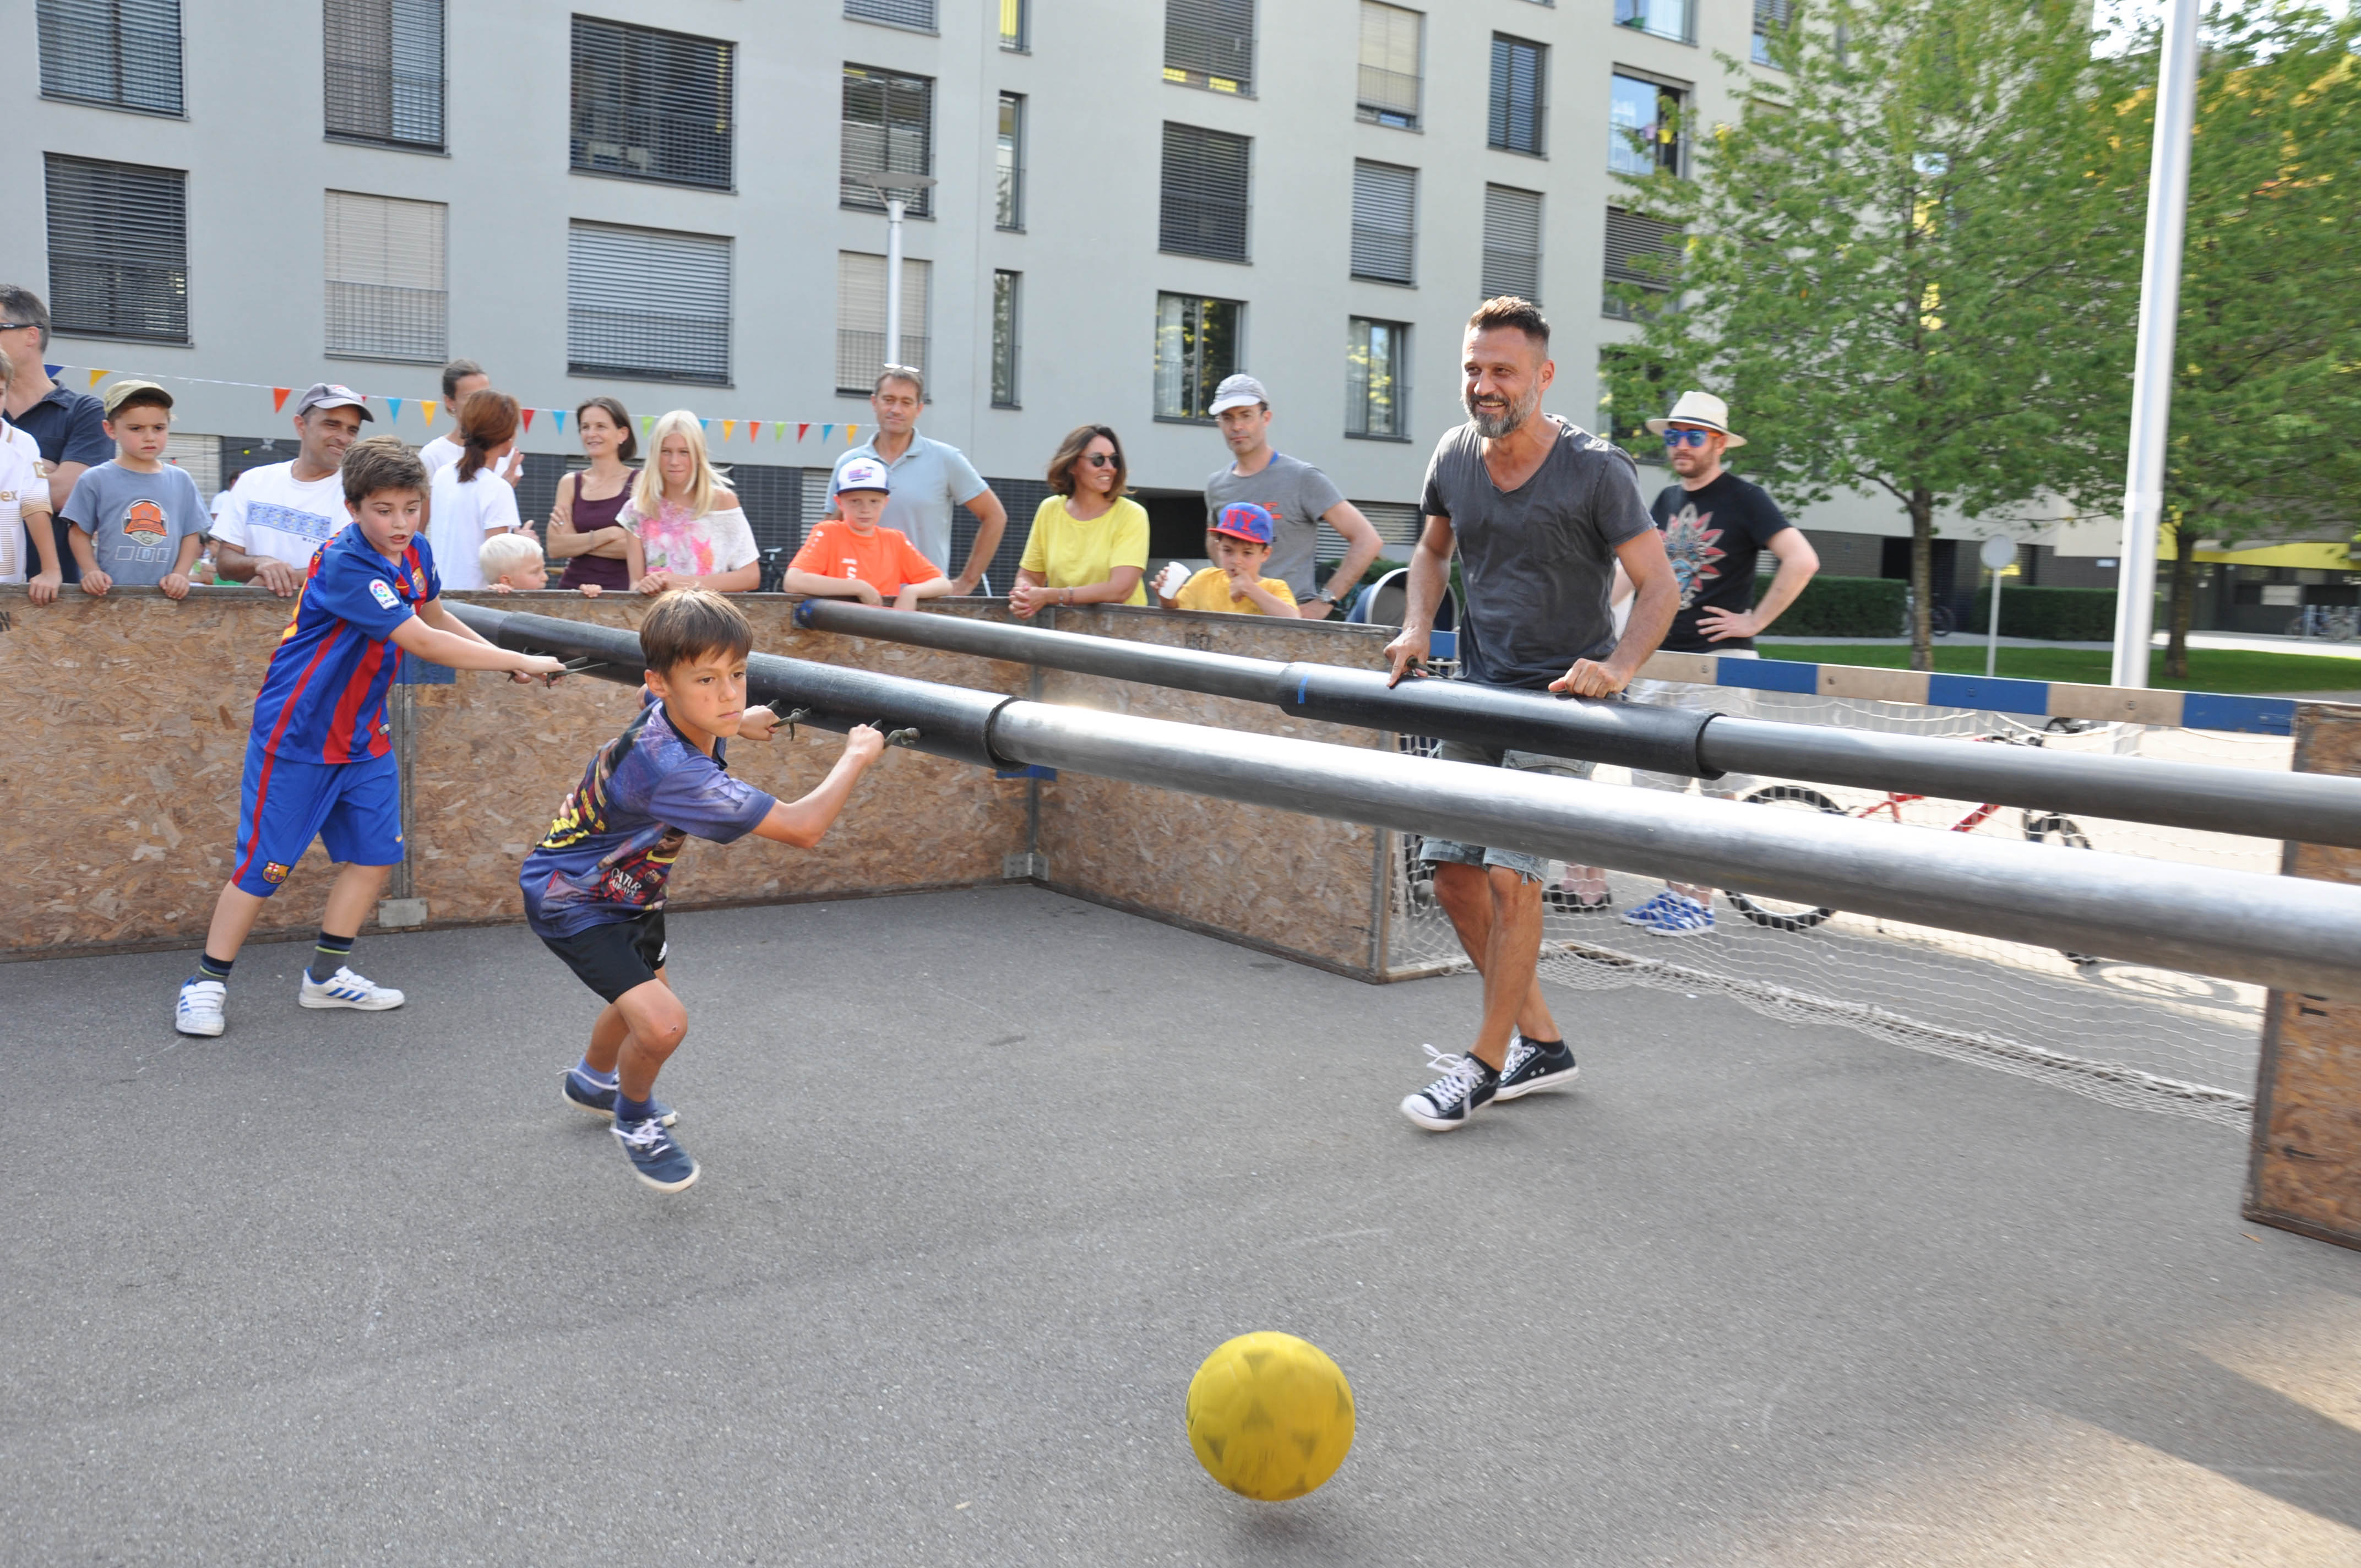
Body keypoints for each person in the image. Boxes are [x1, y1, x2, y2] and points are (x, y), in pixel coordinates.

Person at [1382, 296, 1678, 1133]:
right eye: (1473, 369)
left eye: (1503, 371)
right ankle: (1542, 1042)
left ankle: (1483, 1065)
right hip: (1480, 690)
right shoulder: (1453, 455)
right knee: (1452, 875)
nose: (1485, 385)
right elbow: (1432, 548)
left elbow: (1660, 586)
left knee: (1513, 876)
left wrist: (1617, 668)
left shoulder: (1596, 470)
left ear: (1543, 377)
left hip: (1560, 705)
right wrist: (1416, 624)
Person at [172, 437, 568, 1039]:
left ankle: (325, 977)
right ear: (354, 508)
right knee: (263, 869)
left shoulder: (416, 551)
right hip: (300, 733)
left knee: (376, 856)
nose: (400, 523)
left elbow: (435, 615)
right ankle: (206, 982)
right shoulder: (345, 563)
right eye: (384, 510)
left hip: (364, 734)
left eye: (411, 508)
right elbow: (422, 642)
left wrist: (501, 660)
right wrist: (519, 658)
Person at [522, 589, 886, 1191]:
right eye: (707, 680)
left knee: (638, 1000)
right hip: (575, 899)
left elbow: (656, 703)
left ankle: (592, 1082)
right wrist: (856, 758)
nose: (727, 694)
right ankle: (634, 1117)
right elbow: (803, 828)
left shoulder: (673, 707)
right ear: (663, 681)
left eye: (737, 675)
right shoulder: (673, 770)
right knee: (663, 1024)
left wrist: (738, 722)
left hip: (633, 890)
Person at [1606, 391, 1823, 937]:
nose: (1680, 445)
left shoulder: (1746, 499)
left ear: (1719, 443)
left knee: (1713, 787)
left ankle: (1699, 903)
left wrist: (1754, 620)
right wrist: (1592, 620)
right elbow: (1632, 571)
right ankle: (1675, 893)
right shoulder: (1663, 499)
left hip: (1720, 667)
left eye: (1693, 436)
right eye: (1673, 435)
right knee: (1652, 791)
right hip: (1660, 660)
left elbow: (1802, 560)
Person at [1203, 374, 1384, 618]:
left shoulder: (1302, 478)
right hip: (1234, 622)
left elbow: (1368, 540)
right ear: (1219, 423)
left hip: (1289, 625)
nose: (1236, 426)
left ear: (1266, 418)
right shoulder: (1217, 485)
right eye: (1227, 418)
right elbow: (1213, 540)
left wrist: (1324, 602)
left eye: (1246, 415)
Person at [829, 366, 1007, 595]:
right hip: (857, 601)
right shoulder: (849, 462)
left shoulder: (946, 459)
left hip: (923, 600)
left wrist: (967, 582)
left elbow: (995, 516)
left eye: (906, 402)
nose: (896, 409)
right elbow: (830, 530)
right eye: (889, 400)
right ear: (874, 403)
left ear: (919, 409)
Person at [210, 383, 372, 595]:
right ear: (301, 425)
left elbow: (353, 570)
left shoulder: (359, 495)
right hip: (253, 614)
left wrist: (277, 577)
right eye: (332, 425)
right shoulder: (253, 481)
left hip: (324, 617)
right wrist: (259, 563)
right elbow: (225, 563)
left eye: (352, 430)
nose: (344, 438)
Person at [0, 284, 112, 582]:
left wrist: (20, 473)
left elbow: (68, 495)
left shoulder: (85, 412)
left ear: (31, 335)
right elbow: (44, 492)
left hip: (53, 592)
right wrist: (34, 474)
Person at [59, 380, 207, 599]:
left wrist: (180, 574)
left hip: (166, 599)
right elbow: (79, 532)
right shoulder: (95, 479)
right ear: (110, 429)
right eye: (136, 429)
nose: (149, 437)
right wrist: (91, 571)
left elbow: (190, 534)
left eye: (158, 428)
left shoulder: (181, 480)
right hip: (109, 596)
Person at [1010, 424, 1149, 617]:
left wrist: (1050, 596)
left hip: (1122, 630)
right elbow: (1029, 576)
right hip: (1065, 630)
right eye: (1098, 460)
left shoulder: (1132, 514)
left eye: (1114, 460)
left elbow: (1119, 590)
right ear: (1072, 465)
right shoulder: (1049, 509)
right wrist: (1025, 596)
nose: (1109, 468)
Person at [782, 456, 952, 609]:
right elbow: (793, 581)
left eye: (874, 502)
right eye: (855, 501)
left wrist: (911, 592)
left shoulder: (895, 540)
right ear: (839, 502)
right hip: (835, 629)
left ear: (885, 502)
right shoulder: (828, 532)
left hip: (883, 630)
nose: (865, 509)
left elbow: (943, 583)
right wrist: (858, 587)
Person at [621, 411, 759, 595]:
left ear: (698, 455)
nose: (674, 461)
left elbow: (751, 577)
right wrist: (644, 586)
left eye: (684, 452)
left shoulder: (723, 502)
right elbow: (635, 585)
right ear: (655, 455)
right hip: (658, 612)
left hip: (712, 611)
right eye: (666, 452)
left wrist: (682, 583)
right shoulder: (636, 510)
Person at [426, 389, 525, 593]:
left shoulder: (443, 475)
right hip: (475, 602)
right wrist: (527, 545)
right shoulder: (498, 489)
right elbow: (498, 565)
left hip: (436, 596)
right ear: (507, 436)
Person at [545, 395, 638, 592]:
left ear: (622, 434)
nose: (591, 434)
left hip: (620, 594)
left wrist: (577, 541)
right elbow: (555, 547)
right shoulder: (570, 483)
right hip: (572, 590)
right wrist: (610, 534)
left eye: (601, 427)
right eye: (585, 427)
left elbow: (642, 549)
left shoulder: (640, 481)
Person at [0, 340, 62, 603]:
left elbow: (35, 506)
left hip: (7, 589)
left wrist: (51, 570)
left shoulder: (22, 444)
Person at [1162, 502, 1300, 617]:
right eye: (1228, 551)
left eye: (1247, 553)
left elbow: (1293, 619)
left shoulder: (1275, 588)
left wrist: (1250, 589)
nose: (1236, 560)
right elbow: (1176, 611)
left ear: (1265, 554)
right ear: (1218, 547)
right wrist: (1166, 596)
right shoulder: (1205, 579)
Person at [415, 358, 517, 486]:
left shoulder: (504, 449)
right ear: (450, 402)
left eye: (487, 397)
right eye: (472, 398)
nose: (482, 404)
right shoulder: (432, 455)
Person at [480, 530, 594, 595]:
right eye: (535, 572)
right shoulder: (490, 606)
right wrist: (495, 596)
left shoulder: (547, 602)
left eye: (543, 570)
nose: (545, 578)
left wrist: (586, 597)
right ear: (508, 581)